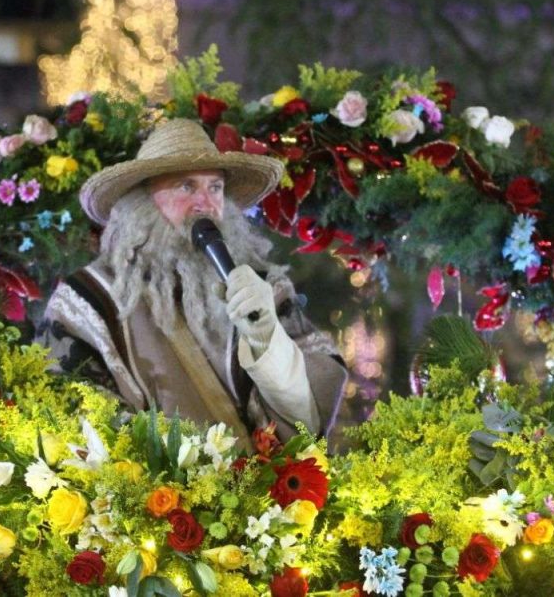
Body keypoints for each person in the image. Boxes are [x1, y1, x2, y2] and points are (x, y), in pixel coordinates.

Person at [38, 118, 362, 450]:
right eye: (186, 186)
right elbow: (68, 414)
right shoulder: (85, 300)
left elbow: (307, 423)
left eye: (215, 187)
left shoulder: (260, 287)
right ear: (144, 202)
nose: (205, 203)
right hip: (148, 496)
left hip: (266, 494)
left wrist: (268, 343)